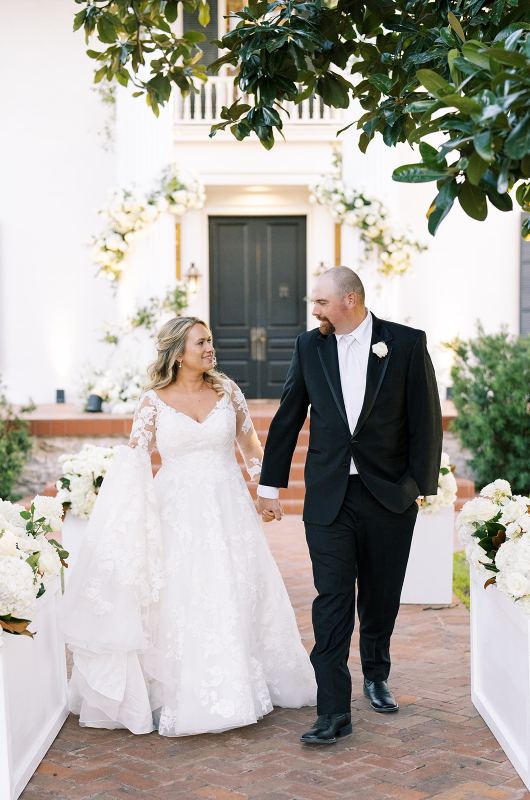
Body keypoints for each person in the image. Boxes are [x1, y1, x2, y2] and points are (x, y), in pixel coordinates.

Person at [61, 316, 316, 737]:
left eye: (211, 340)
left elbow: (250, 444)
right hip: (175, 512)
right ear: (178, 353)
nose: (210, 348)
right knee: (181, 595)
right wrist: (131, 522)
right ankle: (181, 690)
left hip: (228, 508)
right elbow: (135, 464)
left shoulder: (228, 391)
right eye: (201, 342)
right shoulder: (152, 402)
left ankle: (244, 682)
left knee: (234, 587)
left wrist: (264, 490)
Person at [257, 267, 442, 745]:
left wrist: (417, 486)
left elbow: (426, 419)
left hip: (388, 496)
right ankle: (333, 710)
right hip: (329, 496)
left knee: (380, 594)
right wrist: (270, 485)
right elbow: (288, 416)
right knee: (333, 599)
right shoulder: (309, 346)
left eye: (320, 302)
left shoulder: (405, 343)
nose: (313, 311)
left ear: (351, 300)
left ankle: (376, 673)